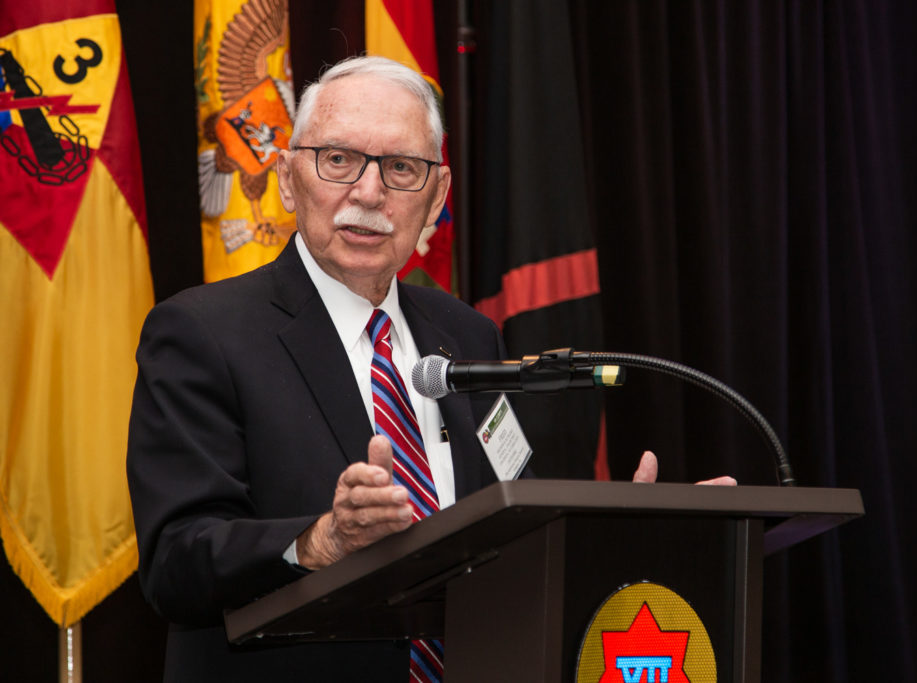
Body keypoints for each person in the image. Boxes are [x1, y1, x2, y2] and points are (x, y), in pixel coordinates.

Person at [127, 55, 731, 683]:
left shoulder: (467, 333)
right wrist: (320, 542)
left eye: (401, 168)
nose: (368, 192)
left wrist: (618, 540)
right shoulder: (202, 332)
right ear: (287, 177)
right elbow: (175, 563)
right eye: (338, 160)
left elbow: (506, 524)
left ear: (438, 195)